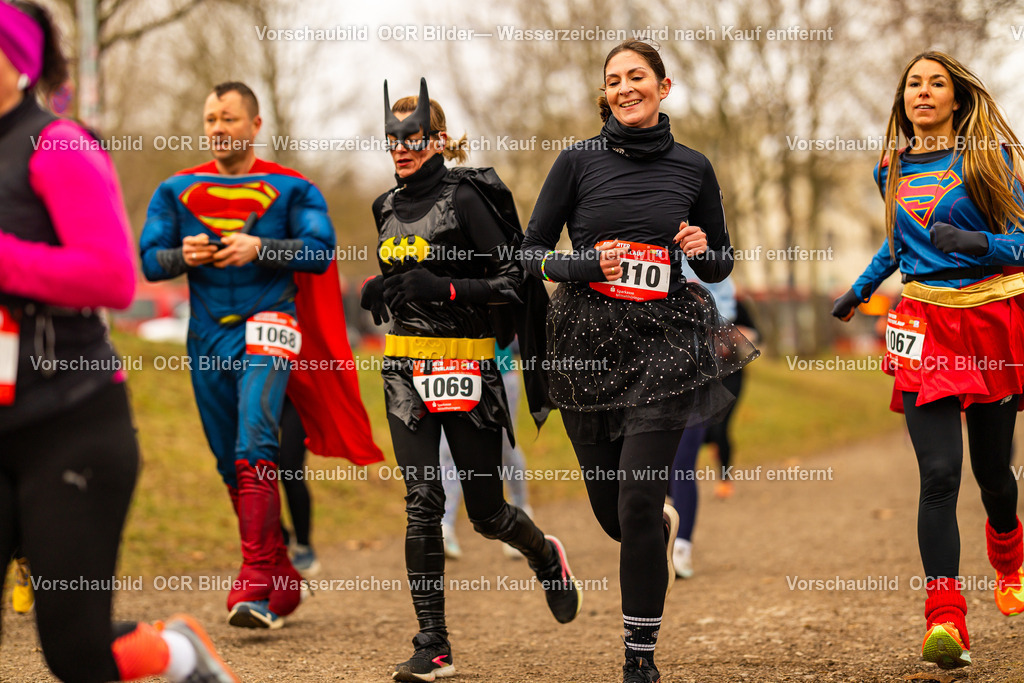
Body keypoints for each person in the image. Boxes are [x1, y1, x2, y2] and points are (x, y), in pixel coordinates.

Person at [0, 2, 237, 681]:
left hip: (68, 424)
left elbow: (108, 274)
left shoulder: (58, 145)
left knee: (72, 650)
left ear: (17, 61)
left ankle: (179, 652)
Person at [520, 41, 758, 683]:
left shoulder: (694, 167)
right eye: (613, 80)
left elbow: (718, 265)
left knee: (633, 505)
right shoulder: (577, 163)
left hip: (666, 341)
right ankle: (657, 525)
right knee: (614, 513)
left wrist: (701, 248)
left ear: (663, 87)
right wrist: (582, 265)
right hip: (585, 344)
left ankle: (639, 658)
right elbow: (528, 253)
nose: (625, 88)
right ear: (605, 93)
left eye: (637, 77)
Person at [361, 78, 581, 682]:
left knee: (486, 513)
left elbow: (516, 281)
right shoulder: (383, 206)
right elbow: (404, 267)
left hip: (466, 366)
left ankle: (546, 555)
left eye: (412, 137)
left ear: (438, 140)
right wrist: (382, 286)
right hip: (404, 367)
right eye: (391, 139)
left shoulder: (467, 198)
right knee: (422, 502)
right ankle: (433, 643)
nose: (400, 148)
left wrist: (446, 287)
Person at [141, 81, 382, 629]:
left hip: (272, 320)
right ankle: (280, 578)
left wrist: (262, 247)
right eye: (209, 119)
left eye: (228, 118)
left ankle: (252, 579)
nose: (217, 128)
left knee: (255, 440)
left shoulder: (293, 191)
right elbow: (149, 261)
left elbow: (321, 253)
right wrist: (184, 254)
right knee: (230, 461)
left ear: (254, 125)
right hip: (205, 335)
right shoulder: (175, 190)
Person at [832, 51, 1024, 670]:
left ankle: (1008, 553)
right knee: (939, 474)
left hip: (988, 320)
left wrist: (981, 244)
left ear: (957, 98)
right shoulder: (889, 166)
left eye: (936, 83)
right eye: (914, 83)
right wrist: (862, 286)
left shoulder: (988, 160)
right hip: (921, 326)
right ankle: (946, 621)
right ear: (903, 98)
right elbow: (898, 236)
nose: (923, 92)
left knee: (993, 473)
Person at [439, 340, 533, 560]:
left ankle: (521, 517)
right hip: (454, 370)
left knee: (504, 448)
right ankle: (445, 526)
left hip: (499, 371)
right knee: (449, 450)